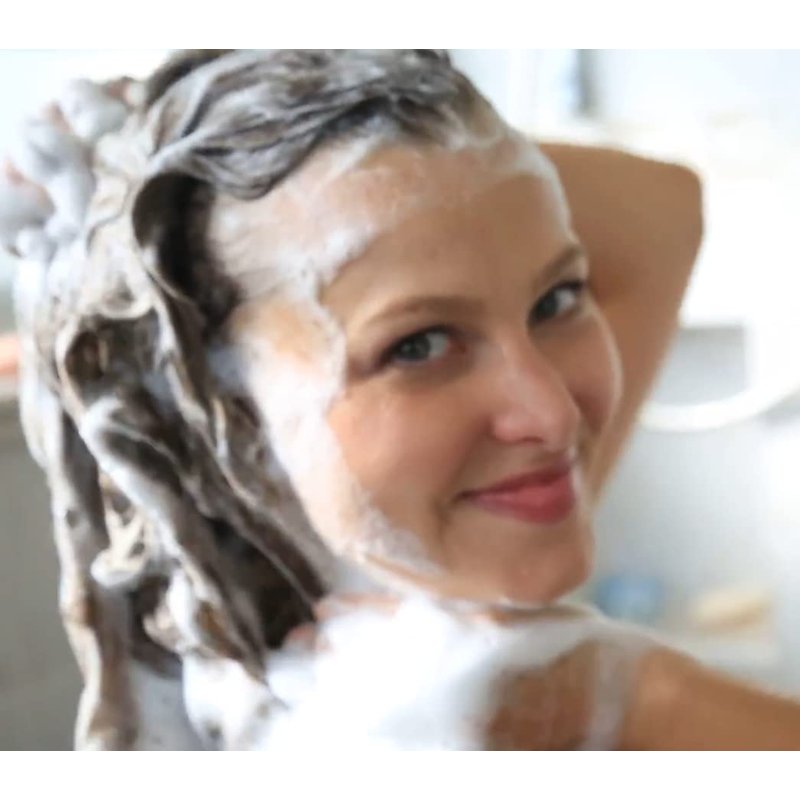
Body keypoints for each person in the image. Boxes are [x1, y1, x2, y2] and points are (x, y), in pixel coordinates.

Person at [5, 48, 788, 751]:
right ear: (226, 423)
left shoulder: (445, 583)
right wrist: (643, 700)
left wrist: (201, 149)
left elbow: (663, 205)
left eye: (556, 299)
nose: (554, 416)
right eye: (418, 346)